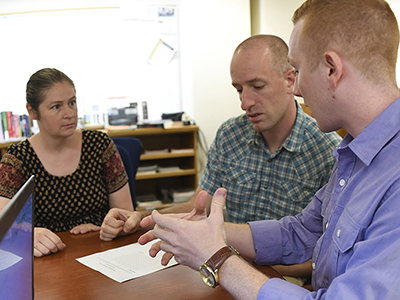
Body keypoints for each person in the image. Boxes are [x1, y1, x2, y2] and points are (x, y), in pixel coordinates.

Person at [138, 0, 400, 299]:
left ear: (331, 69)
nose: (297, 88)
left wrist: (217, 257)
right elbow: (300, 233)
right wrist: (210, 231)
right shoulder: (354, 152)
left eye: (298, 71)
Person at [0, 68, 141, 257]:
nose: (69, 113)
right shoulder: (17, 159)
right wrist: (28, 234)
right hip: (50, 260)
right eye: (56, 107)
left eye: (72, 103)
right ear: (32, 111)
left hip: (102, 252)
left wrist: (110, 226)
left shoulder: (99, 145)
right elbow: (3, 224)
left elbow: (126, 213)